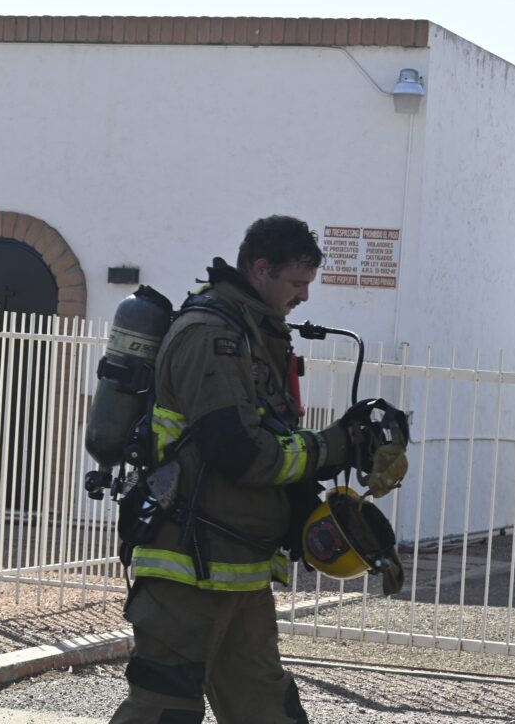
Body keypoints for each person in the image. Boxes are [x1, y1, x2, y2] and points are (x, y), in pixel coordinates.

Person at [110, 215, 359, 724]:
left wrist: (304, 499)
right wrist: (332, 447)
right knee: (164, 711)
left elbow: (270, 439)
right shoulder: (211, 335)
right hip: (186, 566)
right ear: (261, 269)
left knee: (265, 709)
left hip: (237, 566)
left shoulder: (253, 333)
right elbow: (238, 452)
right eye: (297, 282)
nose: (304, 296)